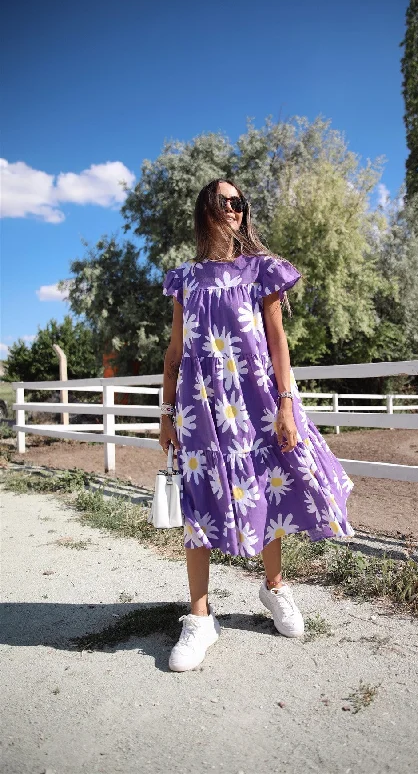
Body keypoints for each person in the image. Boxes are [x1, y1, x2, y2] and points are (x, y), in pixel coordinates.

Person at [159, 178, 355, 672]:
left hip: (257, 400)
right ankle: (201, 618)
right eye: (225, 201)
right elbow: (175, 353)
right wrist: (165, 415)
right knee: (198, 502)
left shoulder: (261, 270)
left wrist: (287, 404)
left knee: (269, 484)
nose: (234, 209)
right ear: (206, 210)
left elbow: (277, 341)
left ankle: (274, 589)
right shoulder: (184, 279)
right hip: (200, 407)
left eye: (240, 202)